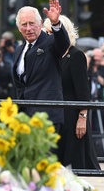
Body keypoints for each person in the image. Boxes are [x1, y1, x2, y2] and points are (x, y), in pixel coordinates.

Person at [43, 15, 100, 169]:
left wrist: (82, 118)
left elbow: (83, 90)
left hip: (72, 117)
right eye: (47, 33)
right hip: (53, 115)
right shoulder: (49, 56)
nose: (49, 36)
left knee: (74, 163)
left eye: (51, 32)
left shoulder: (76, 55)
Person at [12, 0, 70, 137]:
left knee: (44, 158)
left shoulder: (50, 43)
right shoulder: (19, 50)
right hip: (24, 117)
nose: (28, 28)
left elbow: (63, 43)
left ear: (41, 23)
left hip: (46, 116)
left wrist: (56, 23)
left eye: (32, 23)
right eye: (24, 24)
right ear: (19, 28)